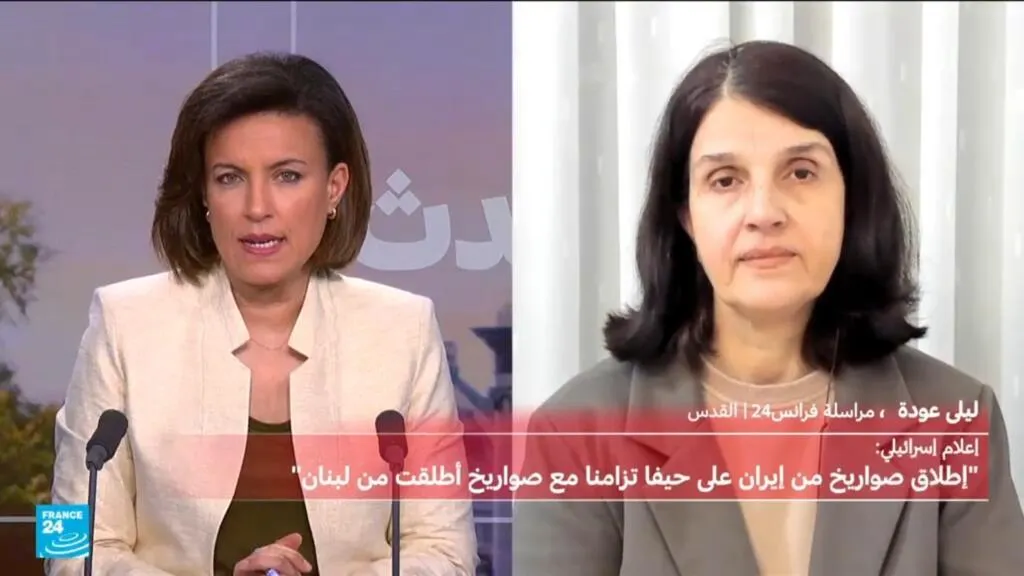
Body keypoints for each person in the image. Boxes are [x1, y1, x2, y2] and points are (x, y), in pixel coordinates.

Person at [512, 40, 1024, 575]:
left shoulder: (956, 422)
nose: (764, 212)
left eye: (800, 172)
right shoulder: (576, 435)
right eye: (725, 180)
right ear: (686, 216)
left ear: (851, 197)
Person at [47, 52, 477, 576]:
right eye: (229, 178)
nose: (257, 207)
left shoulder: (403, 329)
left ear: (334, 187)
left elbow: (446, 552)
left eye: (287, 176)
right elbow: (67, 546)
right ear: (204, 194)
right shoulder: (122, 321)